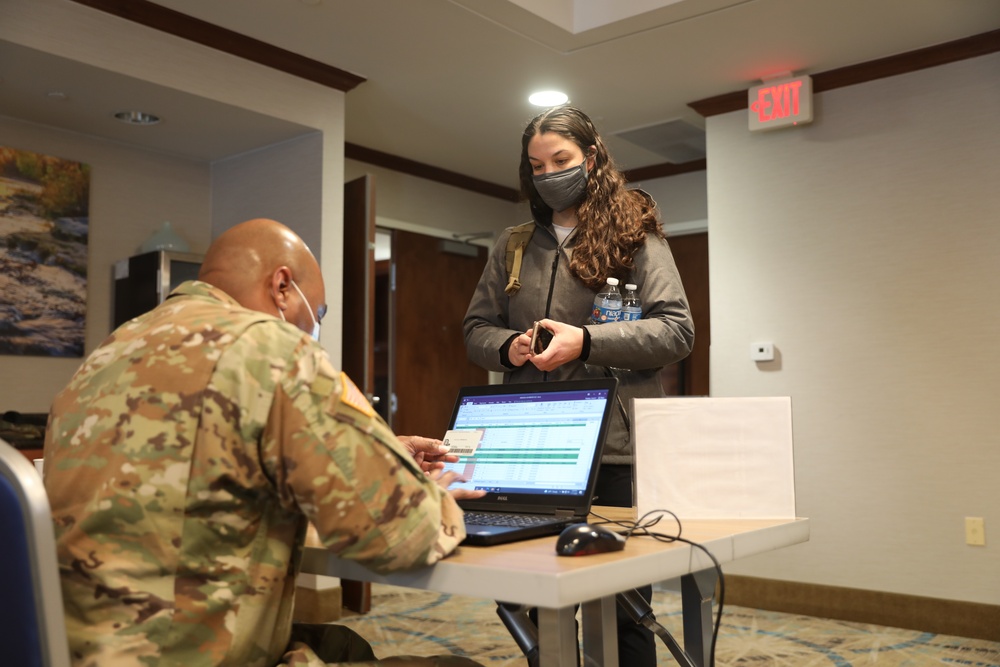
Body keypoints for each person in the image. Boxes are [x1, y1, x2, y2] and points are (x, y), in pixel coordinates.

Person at [43, 218, 485, 667]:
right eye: (320, 313)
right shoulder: (271, 347)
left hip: (77, 646)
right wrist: (428, 492)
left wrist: (377, 452)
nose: (315, 328)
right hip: (183, 650)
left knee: (344, 645)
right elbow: (399, 537)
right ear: (281, 287)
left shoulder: (111, 350)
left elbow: (191, 471)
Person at [463, 106, 695, 666]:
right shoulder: (514, 242)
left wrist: (587, 343)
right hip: (532, 449)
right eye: (537, 166)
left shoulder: (636, 234)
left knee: (623, 607)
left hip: (614, 450)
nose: (549, 175)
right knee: (541, 601)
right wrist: (507, 346)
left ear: (591, 159)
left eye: (561, 161)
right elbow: (475, 329)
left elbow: (676, 330)